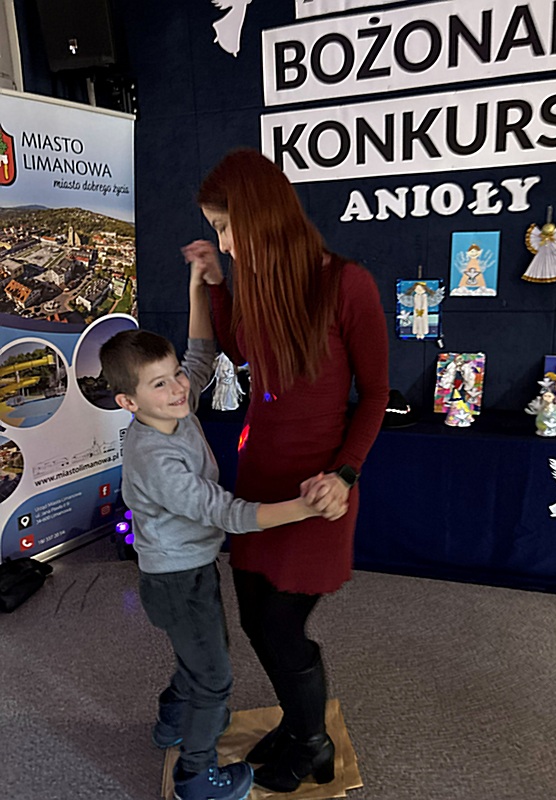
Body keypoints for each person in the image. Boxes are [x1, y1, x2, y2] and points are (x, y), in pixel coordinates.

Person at [182, 148, 389, 793]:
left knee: (280, 624)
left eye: (226, 227)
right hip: (260, 482)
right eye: (217, 229)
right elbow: (239, 347)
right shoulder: (259, 282)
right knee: (254, 616)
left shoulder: (347, 284)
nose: (224, 241)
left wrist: (345, 475)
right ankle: (301, 725)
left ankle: (311, 742)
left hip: (316, 490)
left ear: (261, 214)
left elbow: (376, 394)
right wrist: (217, 283)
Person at [99, 261, 344, 800]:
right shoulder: (156, 458)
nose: (178, 387)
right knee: (213, 679)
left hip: (188, 569)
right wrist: (306, 508)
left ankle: (171, 720)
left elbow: (201, 356)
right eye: (160, 383)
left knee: (198, 657)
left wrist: (197, 287)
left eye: (175, 376)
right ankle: (196, 778)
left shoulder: (172, 409)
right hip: (177, 580)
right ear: (128, 403)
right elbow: (228, 513)